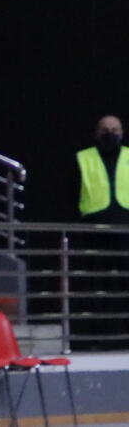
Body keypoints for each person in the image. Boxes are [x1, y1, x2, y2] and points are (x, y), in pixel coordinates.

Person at [71, 115, 129, 347]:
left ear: (122, 132)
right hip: (94, 232)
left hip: (126, 231)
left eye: (114, 129)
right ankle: (98, 337)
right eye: (105, 129)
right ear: (97, 132)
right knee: (97, 287)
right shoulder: (84, 158)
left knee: (125, 286)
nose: (110, 133)